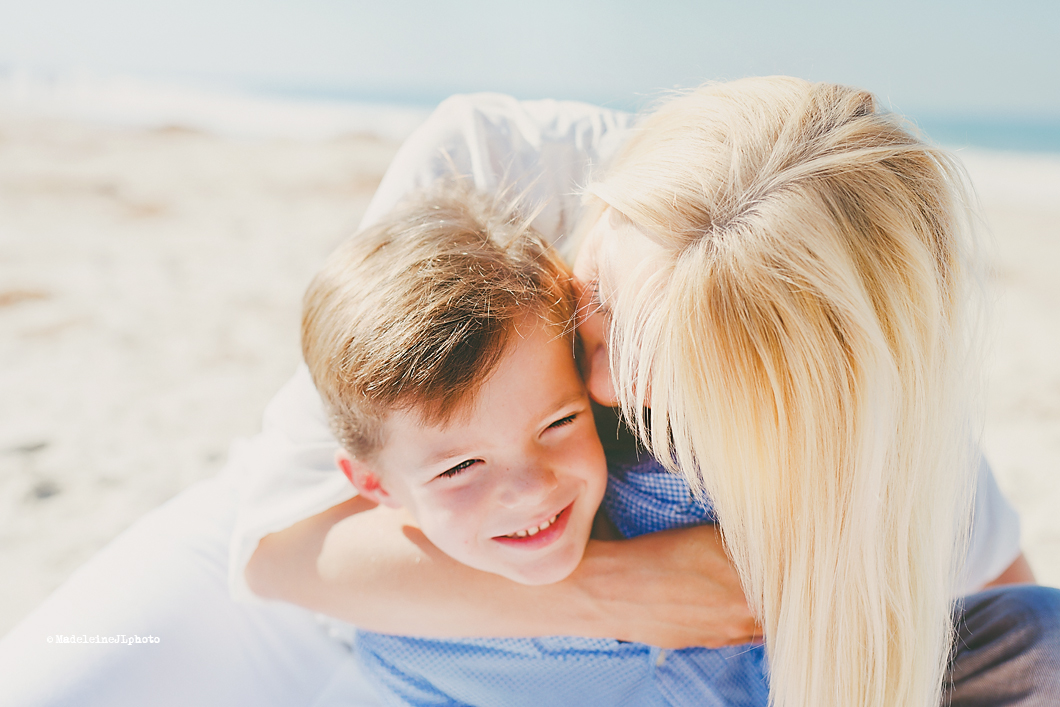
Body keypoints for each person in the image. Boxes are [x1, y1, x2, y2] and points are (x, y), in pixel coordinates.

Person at [1, 85, 1053, 707]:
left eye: (672, 390)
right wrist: (620, 590)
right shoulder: (501, 170)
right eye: (594, 312)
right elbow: (279, 552)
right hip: (347, 557)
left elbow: (996, 586)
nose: (601, 383)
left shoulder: (857, 385)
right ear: (601, 208)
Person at [301, 184, 769, 706]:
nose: (531, 489)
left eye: (558, 422)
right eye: (460, 467)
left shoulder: (692, 495)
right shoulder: (410, 659)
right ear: (373, 483)